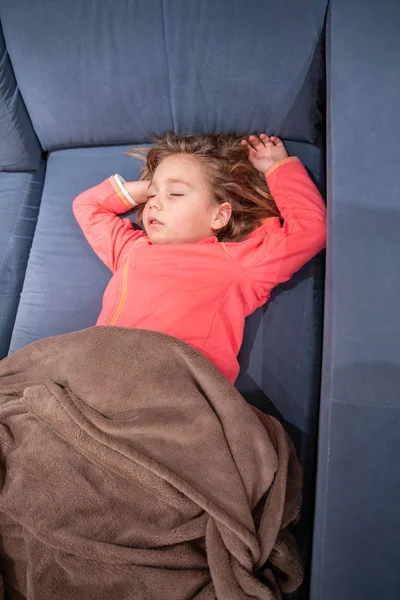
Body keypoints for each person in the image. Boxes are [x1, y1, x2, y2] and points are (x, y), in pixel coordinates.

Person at [73, 132, 326, 383]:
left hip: (174, 386)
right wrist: (148, 189)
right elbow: (87, 206)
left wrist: (276, 169)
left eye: (176, 194)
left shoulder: (239, 263)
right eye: (152, 196)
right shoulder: (132, 251)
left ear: (219, 216)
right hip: (99, 377)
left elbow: (310, 229)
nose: (153, 204)